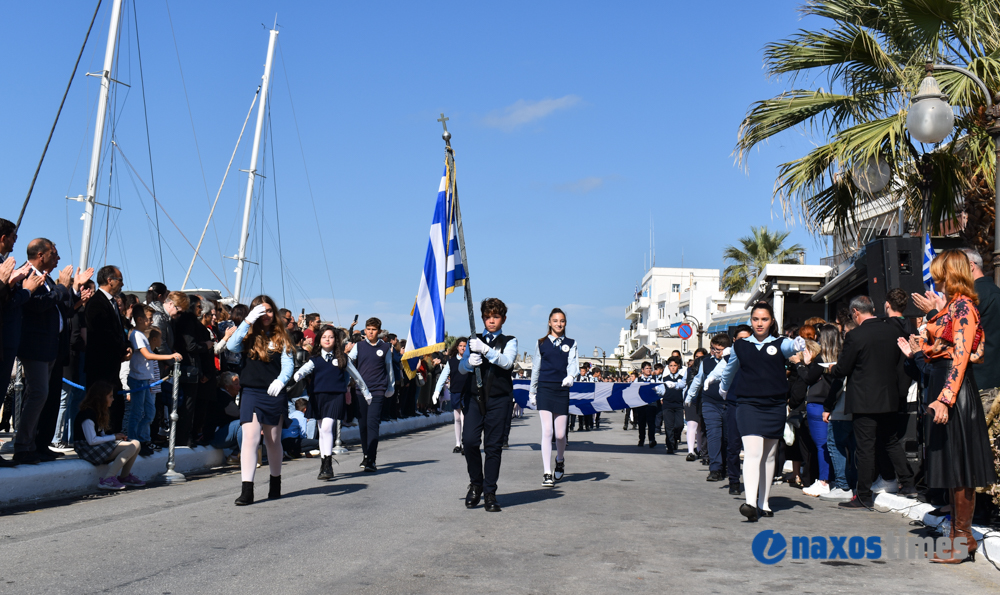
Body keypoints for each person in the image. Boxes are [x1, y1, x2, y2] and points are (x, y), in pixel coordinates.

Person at [904, 250, 997, 563]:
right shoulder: (955, 306)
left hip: (954, 390)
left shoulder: (963, 306)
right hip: (949, 386)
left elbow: (963, 354)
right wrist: (935, 319)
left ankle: (962, 539)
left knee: (961, 467)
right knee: (954, 466)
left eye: (938, 272)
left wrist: (945, 397)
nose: (935, 278)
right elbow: (964, 351)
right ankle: (962, 538)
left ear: (950, 272)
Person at [714, 301, 805, 522]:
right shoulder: (741, 345)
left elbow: (790, 348)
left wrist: (798, 344)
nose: (759, 323)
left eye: (764, 319)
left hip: (774, 405)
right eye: (755, 319)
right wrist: (724, 389)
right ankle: (750, 503)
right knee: (753, 453)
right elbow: (730, 370)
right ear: (751, 321)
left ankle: (764, 502)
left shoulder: (780, 342)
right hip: (748, 405)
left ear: (771, 321)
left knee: (769, 455)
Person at [825, 295, 915, 510]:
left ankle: (863, 495)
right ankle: (909, 483)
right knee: (891, 441)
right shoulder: (892, 331)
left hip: (865, 400)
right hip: (889, 397)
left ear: (856, 312)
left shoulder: (856, 336)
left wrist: (830, 369)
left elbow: (844, 368)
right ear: (872, 309)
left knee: (865, 448)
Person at [15, 239, 86, 464]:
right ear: (41, 255)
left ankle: (35, 445)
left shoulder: (45, 281)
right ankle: (23, 446)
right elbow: (37, 304)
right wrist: (63, 287)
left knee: (44, 398)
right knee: (37, 395)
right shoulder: (26, 275)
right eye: (54, 254)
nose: (58, 259)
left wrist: (72, 291)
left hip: (50, 347)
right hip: (35, 346)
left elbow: (61, 307)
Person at [226, 295, 294, 506]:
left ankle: (275, 482)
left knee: (273, 441)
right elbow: (231, 346)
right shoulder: (246, 335)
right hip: (251, 392)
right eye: (261, 311)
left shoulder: (282, 337)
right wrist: (247, 321)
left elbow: (288, 365)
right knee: (250, 439)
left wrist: (281, 381)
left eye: (269, 310)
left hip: (273, 393)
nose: (266, 315)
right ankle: (247, 490)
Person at [459, 297, 517, 512]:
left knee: (493, 447)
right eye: (487, 317)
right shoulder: (472, 340)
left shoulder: (510, 340)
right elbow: (462, 368)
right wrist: (468, 361)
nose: (491, 321)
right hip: (475, 398)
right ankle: (476, 483)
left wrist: (485, 350)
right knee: (470, 441)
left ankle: (490, 492)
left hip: (499, 399)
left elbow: (507, 363)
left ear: (503, 319)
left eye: (495, 317)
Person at [293, 325, 370, 480]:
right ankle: (324, 464)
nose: (327, 339)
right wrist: (298, 374)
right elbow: (305, 369)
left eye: (331, 337)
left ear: (336, 340)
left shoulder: (342, 359)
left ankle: (327, 464)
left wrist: (366, 392)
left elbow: (357, 376)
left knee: (327, 427)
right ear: (319, 340)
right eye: (324, 337)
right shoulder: (314, 359)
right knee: (322, 431)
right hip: (318, 397)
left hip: (336, 397)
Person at [528, 308, 578, 487]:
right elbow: (536, 367)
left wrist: (571, 376)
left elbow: (573, 364)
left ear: (565, 323)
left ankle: (560, 459)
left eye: (562, 321)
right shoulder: (541, 343)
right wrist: (532, 391)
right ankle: (547, 472)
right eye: (555, 320)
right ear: (549, 322)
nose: (559, 323)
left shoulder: (571, 343)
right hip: (544, 388)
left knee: (560, 434)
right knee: (547, 431)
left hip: (562, 389)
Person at [126, 306, 181, 456]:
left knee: (149, 412)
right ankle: (133, 441)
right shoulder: (137, 335)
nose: (151, 322)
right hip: (138, 379)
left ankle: (144, 439)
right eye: (149, 319)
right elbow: (147, 355)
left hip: (146, 379)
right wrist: (170, 356)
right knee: (137, 412)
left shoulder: (142, 335)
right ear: (140, 320)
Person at [73, 381, 145, 491]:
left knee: (136, 443)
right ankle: (108, 478)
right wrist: (114, 437)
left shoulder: (99, 412)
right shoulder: (87, 414)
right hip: (86, 448)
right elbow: (91, 440)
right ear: (101, 398)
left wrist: (116, 436)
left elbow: (101, 434)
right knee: (131, 446)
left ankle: (125, 476)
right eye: (110, 396)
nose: (113, 399)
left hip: (95, 446)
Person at [347, 317, 395, 473]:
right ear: (365, 330)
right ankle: (366, 455)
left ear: (379, 332)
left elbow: (389, 368)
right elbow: (349, 361)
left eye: (373, 330)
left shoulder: (385, 347)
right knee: (363, 425)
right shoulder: (359, 346)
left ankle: (371, 460)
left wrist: (390, 386)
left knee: (372, 423)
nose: (370, 332)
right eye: (368, 329)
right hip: (361, 390)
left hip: (378, 390)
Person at [85, 265, 130, 432]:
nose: (122, 284)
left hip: (113, 366)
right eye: (120, 280)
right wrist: (121, 350)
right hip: (100, 365)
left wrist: (127, 347)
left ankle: (113, 435)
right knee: (100, 404)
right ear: (109, 280)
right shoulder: (96, 302)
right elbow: (103, 332)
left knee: (115, 405)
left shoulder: (112, 303)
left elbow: (119, 330)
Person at [685, 333, 733, 481]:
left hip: (729, 403)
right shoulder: (705, 362)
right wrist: (689, 396)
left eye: (718, 350)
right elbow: (698, 380)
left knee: (726, 437)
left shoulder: (733, 360)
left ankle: (725, 466)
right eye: (713, 349)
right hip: (710, 402)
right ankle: (715, 468)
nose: (715, 352)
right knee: (713, 434)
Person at [796, 333, 836, 497]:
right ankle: (828, 479)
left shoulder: (822, 359)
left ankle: (823, 481)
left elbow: (808, 378)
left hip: (818, 404)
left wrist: (802, 365)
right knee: (831, 444)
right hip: (832, 402)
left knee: (822, 445)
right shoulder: (838, 358)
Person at [961, 248, 1000, 407]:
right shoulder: (994, 292)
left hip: (976, 383)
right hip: (992, 380)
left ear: (971, 266)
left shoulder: (973, 296)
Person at [432, 337, 470, 454]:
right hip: (455, 391)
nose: (463, 348)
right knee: (457, 418)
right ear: (457, 347)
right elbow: (443, 376)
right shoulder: (451, 361)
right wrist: (437, 391)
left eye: (465, 346)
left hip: (467, 392)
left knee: (464, 418)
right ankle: (457, 443)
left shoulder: (470, 361)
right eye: (461, 346)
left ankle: (465, 443)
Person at [684, 347, 708, 462]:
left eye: (701, 357)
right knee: (691, 425)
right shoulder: (689, 370)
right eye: (696, 357)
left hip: (703, 400)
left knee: (700, 428)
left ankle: (699, 449)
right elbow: (685, 383)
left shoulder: (709, 368)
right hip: (692, 401)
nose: (698, 359)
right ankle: (690, 451)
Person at [634, 362, 665, 448]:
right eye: (647, 368)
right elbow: (633, 390)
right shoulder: (638, 380)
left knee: (651, 422)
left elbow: (661, 390)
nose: (649, 370)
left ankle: (652, 439)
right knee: (641, 423)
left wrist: (656, 389)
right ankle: (641, 439)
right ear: (642, 370)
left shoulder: (655, 379)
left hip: (652, 404)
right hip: (641, 404)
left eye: (650, 368)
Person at [659, 357, 687, 454]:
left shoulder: (682, 378)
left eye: (675, 366)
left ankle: (675, 438)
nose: (673, 368)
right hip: (667, 404)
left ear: (678, 366)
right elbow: (661, 390)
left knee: (679, 425)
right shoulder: (664, 378)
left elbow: (684, 390)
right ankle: (670, 445)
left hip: (679, 404)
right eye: (671, 366)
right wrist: (660, 397)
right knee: (669, 426)